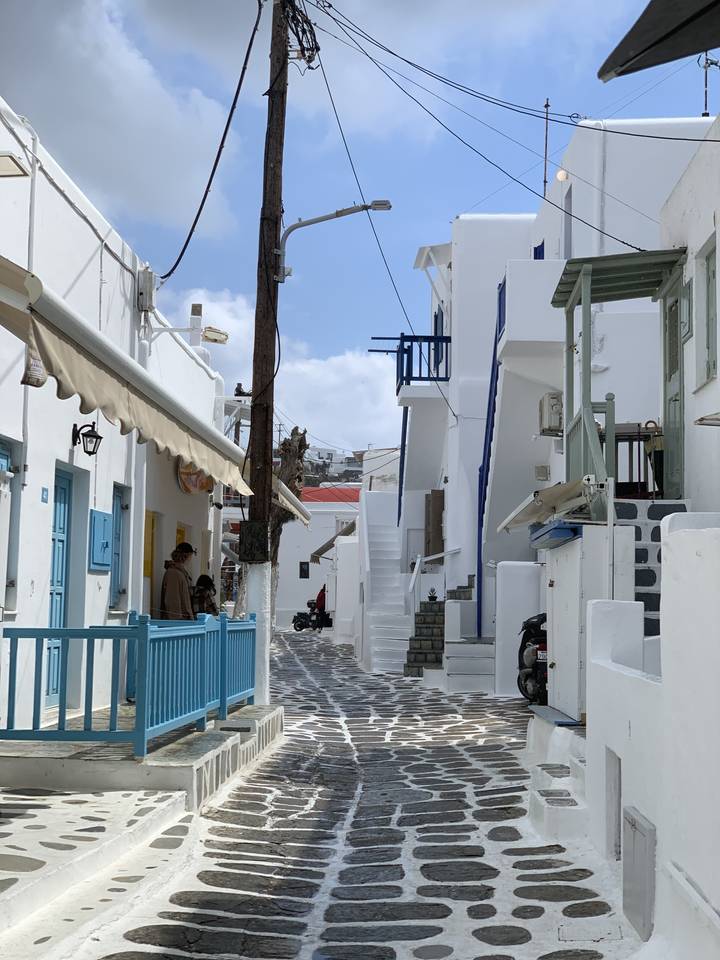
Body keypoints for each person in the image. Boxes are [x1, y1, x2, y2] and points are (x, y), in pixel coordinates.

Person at [159, 542, 195, 620]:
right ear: (187, 556)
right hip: (177, 622)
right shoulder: (173, 573)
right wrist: (177, 621)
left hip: (183, 620)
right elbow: (172, 600)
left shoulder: (180, 572)